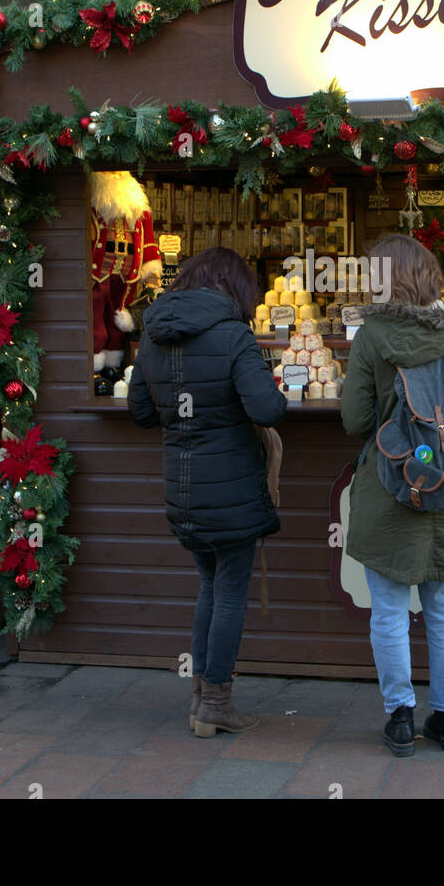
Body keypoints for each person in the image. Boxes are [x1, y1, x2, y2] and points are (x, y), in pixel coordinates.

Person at [340, 234, 444, 756]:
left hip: (391, 487)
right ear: (428, 275)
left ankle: (401, 719)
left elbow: (357, 420)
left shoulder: (370, 336)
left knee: (388, 610)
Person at [127, 247, 287, 737]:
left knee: (210, 587)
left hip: (182, 491)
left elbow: (141, 412)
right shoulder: (234, 334)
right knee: (230, 592)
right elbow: (267, 409)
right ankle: (215, 700)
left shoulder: (154, 335)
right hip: (232, 491)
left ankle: (201, 696)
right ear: (234, 286)